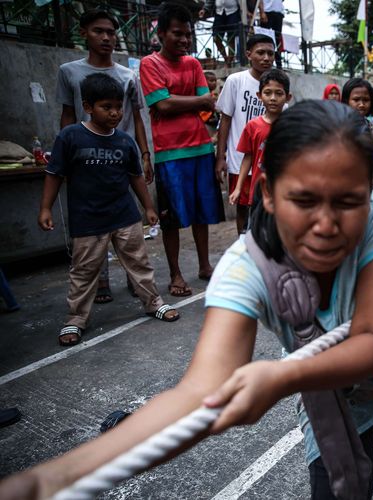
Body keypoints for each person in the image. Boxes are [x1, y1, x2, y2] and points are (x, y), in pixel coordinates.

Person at [0, 100, 373, 500]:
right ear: (267, 193)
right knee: (345, 486)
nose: (326, 225)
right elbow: (201, 391)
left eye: (348, 200)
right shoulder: (245, 267)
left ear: (369, 189)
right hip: (334, 384)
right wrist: (55, 478)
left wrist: (277, 379)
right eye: (303, 200)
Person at [39, 73, 180, 347]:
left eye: (119, 107)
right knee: (84, 271)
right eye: (107, 107)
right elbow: (54, 173)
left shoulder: (125, 141)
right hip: (88, 219)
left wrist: (148, 207)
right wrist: (45, 208)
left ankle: (153, 303)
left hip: (125, 216)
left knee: (139, 263)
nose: (115, 113)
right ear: (88, 107)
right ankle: (76, 319)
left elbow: (135, 177)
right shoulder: (71, 137)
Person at [57, 9, 153, 305]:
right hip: (85, 158)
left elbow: (137, 117)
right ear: (84, 32)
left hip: (122, 158)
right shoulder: (70, 72)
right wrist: (67, 154)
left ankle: (135, 278)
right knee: (90, 223)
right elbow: (68, 115)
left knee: (128, 222)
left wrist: (144, 152)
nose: (107, 38)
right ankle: (99, 280)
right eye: (99, 31)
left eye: (111, 32)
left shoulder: (127, 75)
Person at [139, 3, 225, 298]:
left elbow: (208, 101)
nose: (185, 40)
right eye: (178, 34)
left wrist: (177, 100)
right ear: (161, 33)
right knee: (171, 218)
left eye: (188, 34)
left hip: (201, 149)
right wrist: (193, 101)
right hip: (169, 153)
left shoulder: (193, 64)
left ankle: (204, 265)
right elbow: (161, 105)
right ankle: (175, 274)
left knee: (202, 212)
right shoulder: (149, 64)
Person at [215, 34, 276, 234]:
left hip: (268, 161)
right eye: (261, 53)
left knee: (270, 206)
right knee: (243, 206)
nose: (266, 58)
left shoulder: (276, 85)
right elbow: (225, 120)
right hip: (239, 159)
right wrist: (220, 157)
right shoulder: (236, 81)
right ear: (248, 54)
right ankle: (243, 245)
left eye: (270, 53)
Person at [230, 68, 291, 211]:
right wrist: (238, 188)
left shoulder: (291, 126)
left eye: (279, 93)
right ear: (259, 95)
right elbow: (248, 158)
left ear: (288, 97)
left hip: (284, 190)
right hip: (259, 191)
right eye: (268, 93)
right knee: (258, 230)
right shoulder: (253, 126)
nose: (273, 98)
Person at [199, 0, 243, 67]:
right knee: (216, 38)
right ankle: (226, 59)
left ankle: (229, 62)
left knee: (231, 38)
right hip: (219, 12)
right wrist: (204, 9)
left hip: (233, 11)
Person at [259, 0, 284, 68]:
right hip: (267, 11)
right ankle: (264, 59)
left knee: (277, 39)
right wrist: (262, 12)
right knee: (264, 38)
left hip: (279, 12)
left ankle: (278, 63)